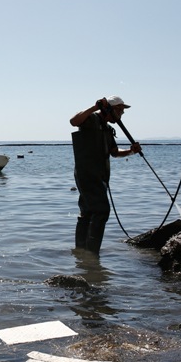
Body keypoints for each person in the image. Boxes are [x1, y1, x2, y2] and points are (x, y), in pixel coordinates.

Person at [69, 96, 142, 254]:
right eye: (120, 110)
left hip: (99, 176)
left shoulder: (108, 129)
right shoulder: (92, 120)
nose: (122, 114)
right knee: (102, 211)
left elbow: (114, 153)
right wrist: (95, 107)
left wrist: (131, 151)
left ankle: (82, 253)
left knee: (88, 212)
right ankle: (92, 254)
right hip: (87, 174)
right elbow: (74, 121)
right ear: (110, 109)